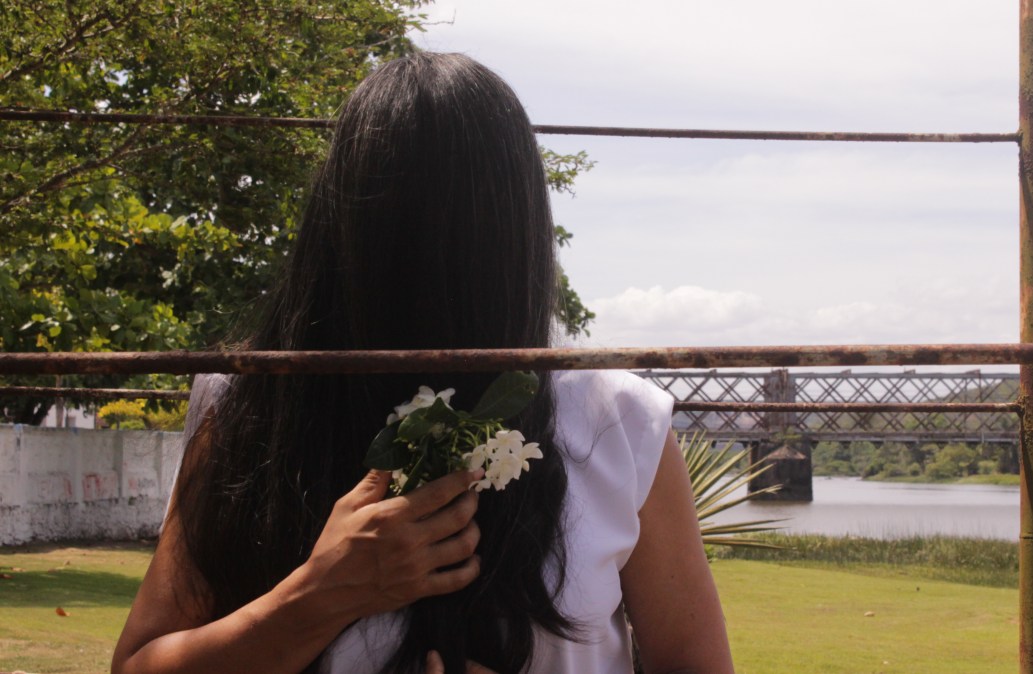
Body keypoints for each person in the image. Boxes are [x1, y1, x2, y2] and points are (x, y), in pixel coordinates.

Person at [112, 53, 734, 674]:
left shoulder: (619, 419)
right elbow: (137, 664)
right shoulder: (245, 400)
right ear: (522, 227)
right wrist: (322, 594)